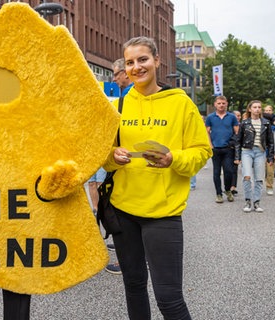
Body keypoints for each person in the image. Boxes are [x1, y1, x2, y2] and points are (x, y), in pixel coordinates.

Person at [103, 36, 211, 320]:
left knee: (169, 298)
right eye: (130, 62)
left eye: (143, 60)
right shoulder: (119, 105)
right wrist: (112, 157)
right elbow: (102, 156)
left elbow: (202, 151)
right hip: (123, 210)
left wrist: (173, 158)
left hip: (163, 212)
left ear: (157, 61)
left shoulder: (180, 103)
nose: (136, 67)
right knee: (134, 286)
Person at [102, 57, 135, 276]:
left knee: (128, 212)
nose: (114, 78)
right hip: (124, 159)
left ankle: (129, 260)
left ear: (126, 73)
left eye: (116, 74)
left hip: (129, 161)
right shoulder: (124, 96)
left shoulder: (131, 95)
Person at [234, 100, 274, 212]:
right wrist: (237, 157)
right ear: (250, 109)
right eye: (255, 107)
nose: (257, 109)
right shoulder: (244, 123)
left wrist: (270, 157)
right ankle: (247, 201)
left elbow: (271, 141)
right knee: (247, 176)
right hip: (246, 151)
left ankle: (256, 202)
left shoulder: (266, 123)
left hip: (260, 152)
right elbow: (238, 141)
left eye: (259, 107)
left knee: (259, 178)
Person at [205, 95, 239, 203]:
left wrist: (234, 143)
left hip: (228, 148)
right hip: (216, 148)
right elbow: (206, 133)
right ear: (215, 104)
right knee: (216, 172)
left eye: (223, 103)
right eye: (219, 103)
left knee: (229, 171)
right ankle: (218, 194)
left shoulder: (232, 117)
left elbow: (237, 132)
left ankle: (228, 190)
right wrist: (210, 145)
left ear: (227, 104)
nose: (221, 105)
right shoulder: (210, 117)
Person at [263, 106, 275, 195]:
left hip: (271, 151)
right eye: (266, 111)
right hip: (261, 151)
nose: (267, 112)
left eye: (269, 110)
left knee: (270, 171)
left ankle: (269, 186)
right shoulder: (260, 124)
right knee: (260, 170)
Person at [230, 110, 242, 194]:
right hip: (228, 148)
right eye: (236, 115)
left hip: (238, 150)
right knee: (228, 169)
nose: (238, 117)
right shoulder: (228, 126)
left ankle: (233, 187)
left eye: (239, 115)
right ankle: (228, 186)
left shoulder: (242, 126)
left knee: (235, 169)